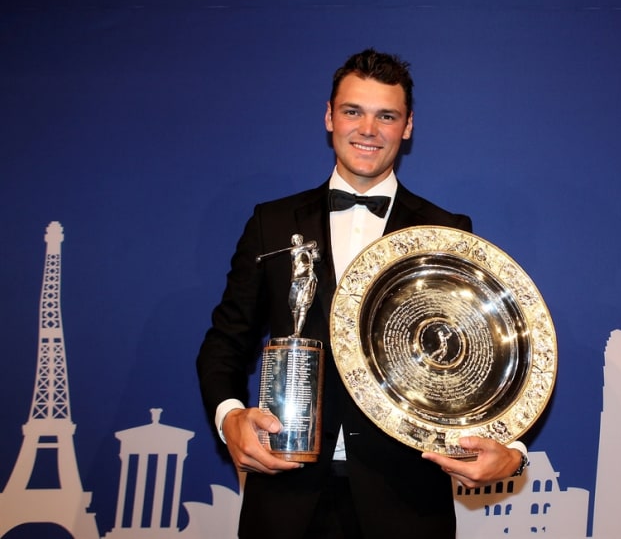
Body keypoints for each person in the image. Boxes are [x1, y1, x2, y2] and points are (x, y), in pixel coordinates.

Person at [196, 48, 528, 539]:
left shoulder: (447, 231)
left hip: (406, 502)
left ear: (407, 126)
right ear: (330, 117)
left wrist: (513, 453)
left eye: (386, 116)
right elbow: (225, 345)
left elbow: (488, 363)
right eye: (353, 111)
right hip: (285, 496)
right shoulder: (272, 223)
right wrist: (230, 419)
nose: (368, 130)